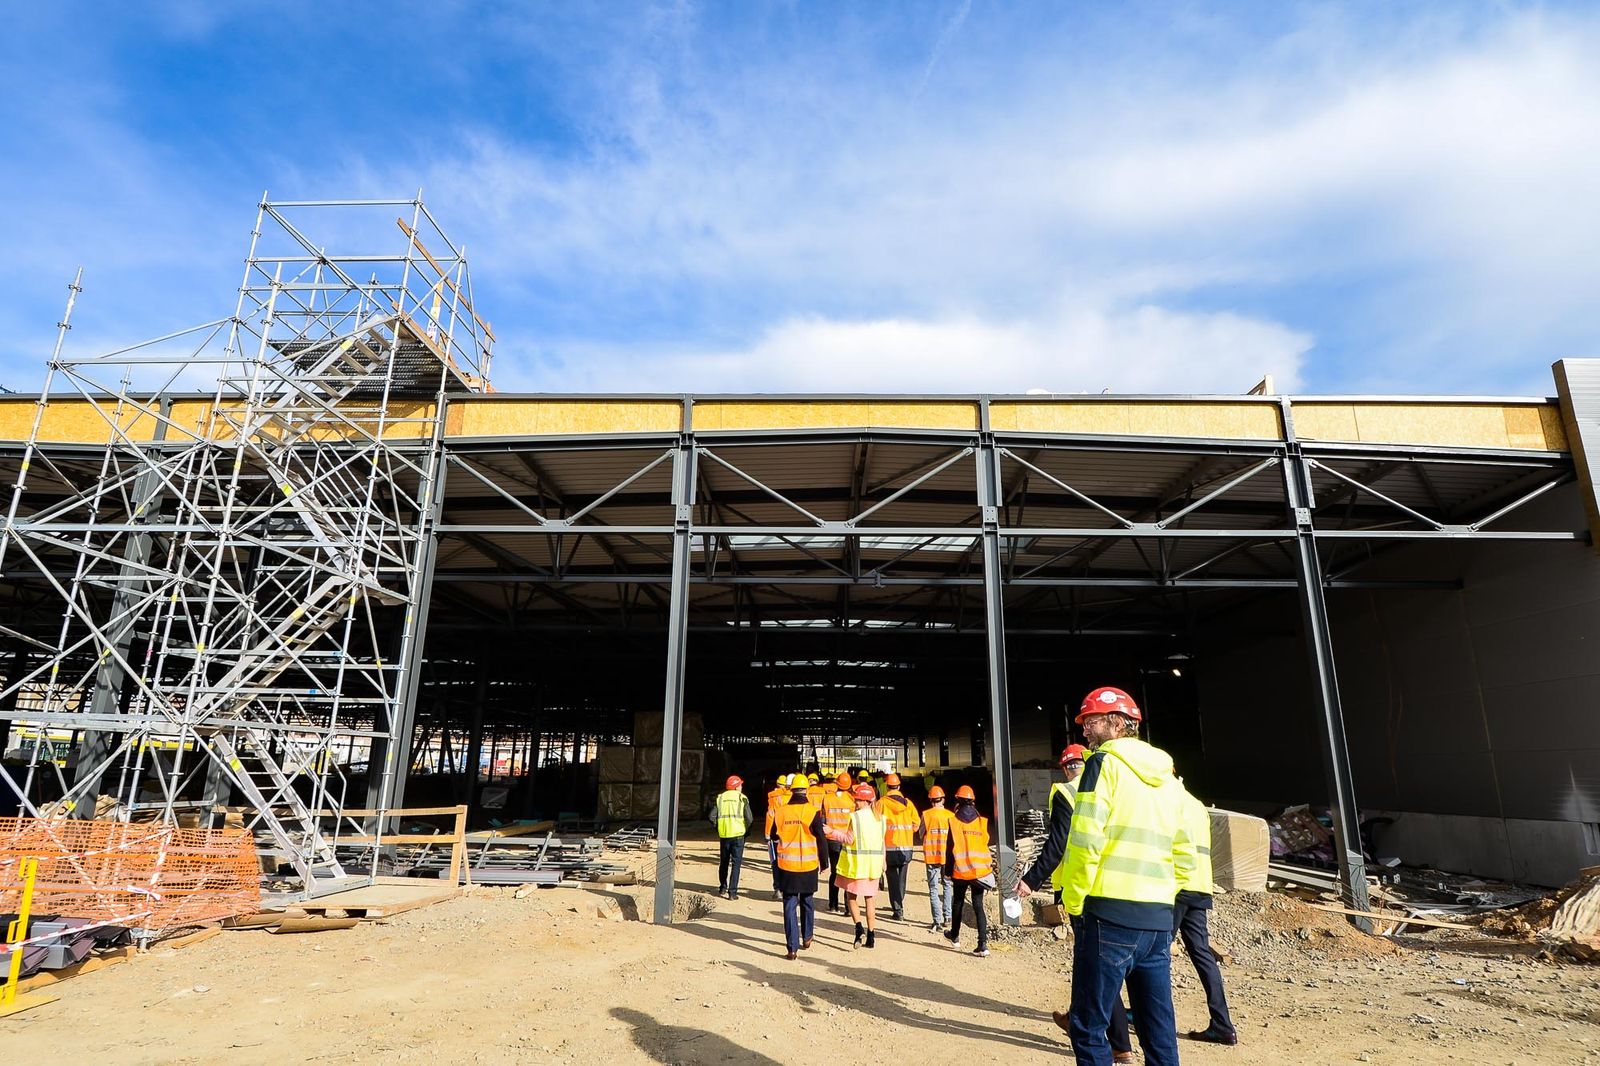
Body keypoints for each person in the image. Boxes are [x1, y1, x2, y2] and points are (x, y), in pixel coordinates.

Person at [1056, 686, 1193, 1066]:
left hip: (1108, 915)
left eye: (1091, 721)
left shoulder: (1102, 765)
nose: (1084, 730)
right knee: (1157, 1029)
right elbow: (1185, 847)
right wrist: (1167, 897)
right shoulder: (1167, 775)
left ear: (1117, 724)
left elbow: (1085, 841)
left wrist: (1074, 900)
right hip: (1157, 919)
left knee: (1087, 1027)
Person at [1018, 745, 1135, 1064]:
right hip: (1114, 883)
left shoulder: (1067, 793)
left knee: (1098, 965)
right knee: (1101, 962)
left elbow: (1057, 844)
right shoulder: (1114, 788)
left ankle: (1118, 1043)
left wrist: (1031, 878)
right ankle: (1078, 1017)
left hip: (1079, 886)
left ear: (1067, 768)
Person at [1175, 783, 1238, 1046]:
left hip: (1176, 886)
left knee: (1149, 955)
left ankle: (1142, 1014)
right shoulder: (1195, 804)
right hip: (1200, 885)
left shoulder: (1167, 800)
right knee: (1201, 953)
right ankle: (1223, 1025)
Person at [770, 772, 830, 960]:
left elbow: (773, 835)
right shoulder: (812, 812)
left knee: (789, 904)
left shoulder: (781, 812)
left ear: (791, 789)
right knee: (807, 901)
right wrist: (825, 861)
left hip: (787, 865)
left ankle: (792, 948)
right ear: (806, 790)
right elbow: (821, 838)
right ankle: (808, 937)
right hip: (809, 865)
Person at [826, 781, 886, 948]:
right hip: (873, 867)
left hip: (857, 866)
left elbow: (848, 839)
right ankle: (871, 936)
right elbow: (881, 843)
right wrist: (883, 863)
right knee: (870, 900)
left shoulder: (855, 818)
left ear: (864, 801)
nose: (855, 802)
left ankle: (859, 928)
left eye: (857, 799)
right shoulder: (880, 819)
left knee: (851, 897)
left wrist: (831, 832)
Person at [943, 785, 993, 957]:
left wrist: (948, 871)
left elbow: (950, 848)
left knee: (958, 903)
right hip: (979, 870)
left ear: (957, 800)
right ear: (973, 801)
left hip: (961, 870)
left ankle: (955, 936)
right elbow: (985, 842)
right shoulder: (981, 821)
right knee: (978, 905)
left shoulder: (954, 821)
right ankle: (983, 944)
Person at [874, 772, 919, 921]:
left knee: (892, 879)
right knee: (902, 879)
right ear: (899, 786)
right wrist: (906, 831)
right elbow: (916, 825)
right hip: (906, 847)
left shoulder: (881, 803)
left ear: (887, 787)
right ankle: (899, 903)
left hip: (889, 847)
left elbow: (875, 823)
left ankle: (898, 909)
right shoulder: (909, 803)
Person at [710, 775, 754, 900]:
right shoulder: (742, 798)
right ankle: (732, 893)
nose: (741, 787)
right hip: (738, 836)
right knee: (736, 864)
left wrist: (718, 827)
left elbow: (711, 816)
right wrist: (747, 831)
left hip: (724, 835)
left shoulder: (720, 798)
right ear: (736, 787)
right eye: (740, 785)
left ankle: (722, 888)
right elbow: (749, 818)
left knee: (724, 862)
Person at [919, 785, 954, 932]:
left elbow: (921, 834)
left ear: (931, 800)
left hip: (932, 857)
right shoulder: (950, 816)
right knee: (947, 886)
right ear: (943, 799)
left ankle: (937, 921)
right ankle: (948, 917)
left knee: (933, 889)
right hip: (947, 858)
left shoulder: (926, 815)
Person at [822, 772, 856, 913]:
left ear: (836, 784)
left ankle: (833, 904)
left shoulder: (827, 798)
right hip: (847, 840)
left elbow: (822, 818)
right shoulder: (852, 800)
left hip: (831, 839)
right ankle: (848, 907)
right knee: (848, 873)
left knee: (835, 872)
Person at [764, 774, 791, 901]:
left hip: (776, 833)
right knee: (789, 861)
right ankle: (789, 887)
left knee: (775, 862)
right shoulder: (793, 796)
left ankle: (778, 889)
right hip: (791, 833)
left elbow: (770, 815)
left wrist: (767, 833)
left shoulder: (774, 797)